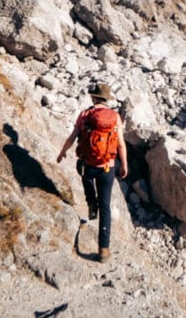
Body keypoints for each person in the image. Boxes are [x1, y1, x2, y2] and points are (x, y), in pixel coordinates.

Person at [56, 82, 128, 262]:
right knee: (106, 207)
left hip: (88, 164)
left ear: (94, 97)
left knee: (85, 177)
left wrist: (62, 151)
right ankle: (104, 250)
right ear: (106, 99)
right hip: (108, 166)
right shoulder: (115, 117)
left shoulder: (86, 114)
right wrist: (124, 164)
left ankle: (90, 203)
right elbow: (120, 143)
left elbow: (73, 136)